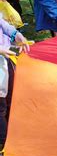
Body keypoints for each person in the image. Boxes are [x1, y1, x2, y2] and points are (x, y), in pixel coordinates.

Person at [0, 16, 30, 147]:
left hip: (7, 57)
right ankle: (4, 143)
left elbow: (4, 26)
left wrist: (17, 35)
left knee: (12, 100)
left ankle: (14, 137)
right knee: (1, 106)